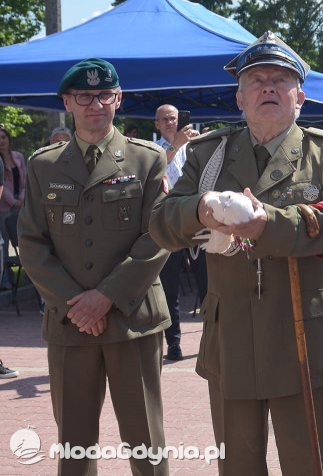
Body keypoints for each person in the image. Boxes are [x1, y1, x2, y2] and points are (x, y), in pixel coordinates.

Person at [149, 31, 323, 476]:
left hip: (308, 342)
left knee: (316, 466)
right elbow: (161, 223)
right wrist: (199, 210)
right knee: (239, 467)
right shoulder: (207, 155)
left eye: (281, 80)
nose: (268, 87)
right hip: (233, 342)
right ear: (240, 98)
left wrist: (271, 225)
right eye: (256, 81)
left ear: (299, 97)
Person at [19, 58, 171, 476]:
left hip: (132, 320)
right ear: (67, 102)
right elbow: (31, 242)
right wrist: (76, 304)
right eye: (84, 96)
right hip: (70, 322)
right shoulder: (44, 165)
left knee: (146, 441)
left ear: (118, 99)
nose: (96, 104)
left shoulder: (147, 159)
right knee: (74, 444)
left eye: (105, 95)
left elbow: (158, 237)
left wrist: (105, 297)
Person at [152, 104, 203, 361]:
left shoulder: (196, 146)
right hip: (170, 223)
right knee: (169, 287)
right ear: (157, 124)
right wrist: (177, 144)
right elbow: (157, 167)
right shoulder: (153, 150)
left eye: (173, 118)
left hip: (196, 221)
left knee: (207, 284)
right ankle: (173, 343)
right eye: (164, 119)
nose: (170, 122)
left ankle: (212, 338)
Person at [0, 125, 25, 289]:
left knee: (24, 239)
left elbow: (25, 178)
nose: (1, 141)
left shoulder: (18, 156)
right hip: (4, 206)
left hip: (21, 203)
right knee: (4, 244)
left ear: (8, 139)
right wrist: (13, 202)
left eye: (3, 137)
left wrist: (22, 198)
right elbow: (1, 186)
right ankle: (5, 280)